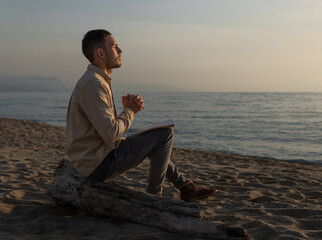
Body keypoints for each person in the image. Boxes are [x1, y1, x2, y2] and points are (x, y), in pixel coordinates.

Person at [66, 29, 216, 202]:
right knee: (164, 135)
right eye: (114, 47)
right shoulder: (94, 83)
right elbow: (111, 134)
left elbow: (103, 130)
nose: (120, 51)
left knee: (153, 140)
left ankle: (185, 187)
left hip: (92, 159)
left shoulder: (95, 80)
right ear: (100, 53)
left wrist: (125, 111)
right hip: (97, 164)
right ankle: (154, 198)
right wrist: (130, 110)